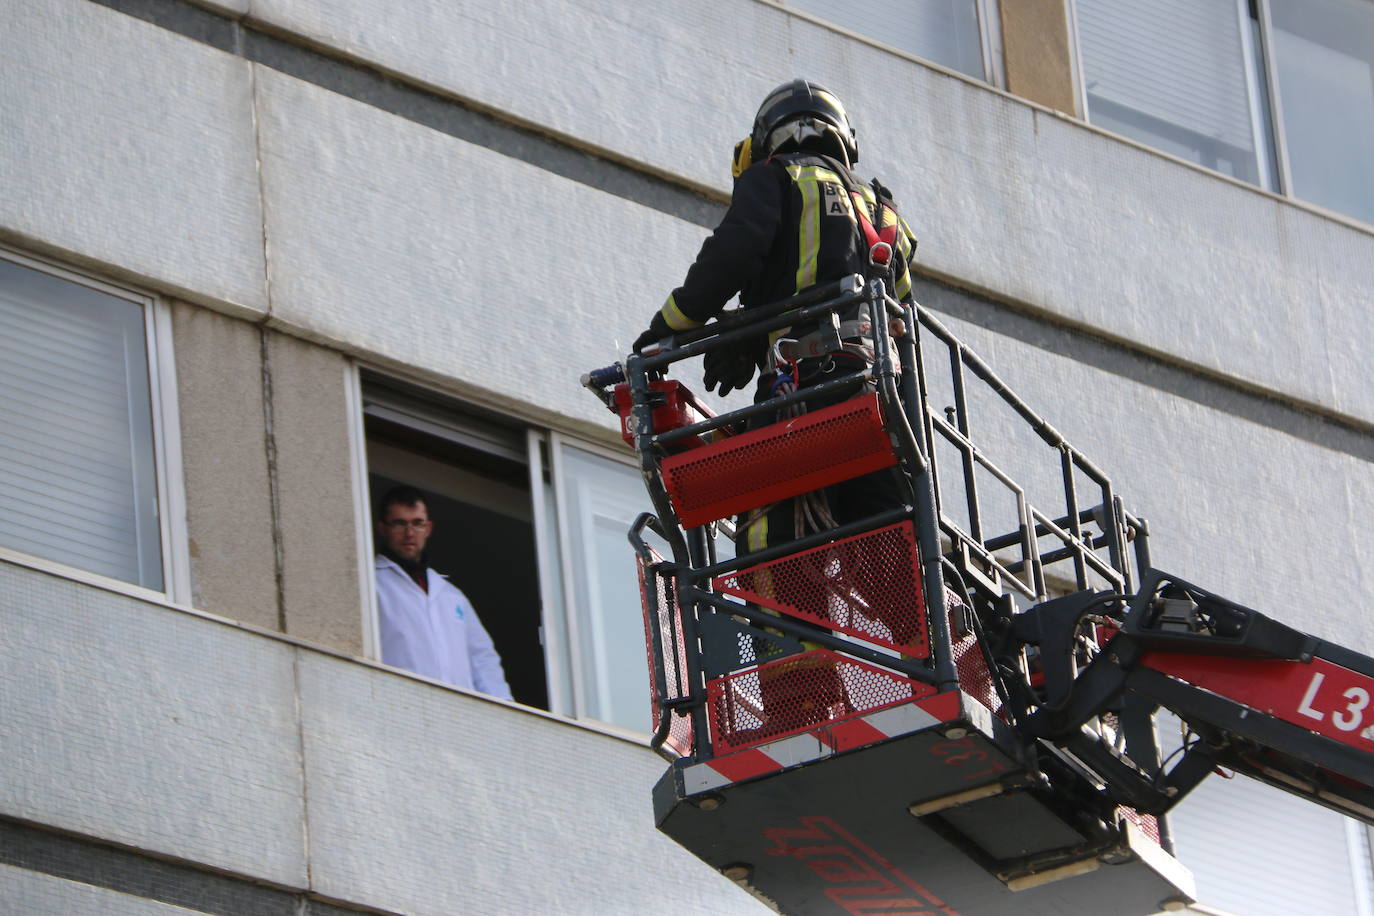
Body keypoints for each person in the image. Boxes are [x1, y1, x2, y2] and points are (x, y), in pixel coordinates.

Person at [633, 78, 920, 557]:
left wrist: (667, 329)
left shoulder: (775, 177)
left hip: (803, 384)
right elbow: (905, 326)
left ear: (768, 137)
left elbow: (730, 258)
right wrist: (748, 334)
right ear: (844, 139)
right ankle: (944, 624)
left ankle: (776, 635)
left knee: (770, 534)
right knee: (893, 549)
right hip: (880, 401)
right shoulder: (887, 216)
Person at [373, 485, 512, 700]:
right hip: (397, 707)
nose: (409, 533)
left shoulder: (452, 596)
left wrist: (503, 711)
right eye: (400, 523)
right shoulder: (372, 582)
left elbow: (483, 659)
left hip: (458, 718)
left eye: (417, 524)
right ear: (382, 528)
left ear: (428, 528)